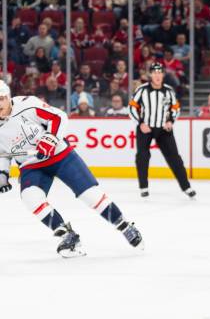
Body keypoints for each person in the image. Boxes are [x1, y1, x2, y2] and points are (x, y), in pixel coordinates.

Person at [0, 81, 143, 257]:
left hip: (59, 153)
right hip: (30, 164)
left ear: (8, 97)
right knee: (30, 197)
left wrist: (50, 139)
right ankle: (67, 235)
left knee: (90, 195)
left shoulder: (27, 104)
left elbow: (58, 116)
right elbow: (3, 153)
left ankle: (124, 225)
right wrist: (3, 173)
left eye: (1, 99)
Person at [128, 62, 195, 199]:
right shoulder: (142, 90)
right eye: (154, 73)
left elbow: (175, 108)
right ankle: (143, 187)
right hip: (145, 128)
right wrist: (140, 123)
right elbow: (132, 107)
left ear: (163, 75)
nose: (157, 75)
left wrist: (171, 121)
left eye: (160, 73)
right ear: (150, 75)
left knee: (175, 158)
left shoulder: (169, 90)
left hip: (164, 129)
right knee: (142, 157)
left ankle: (186, 187)